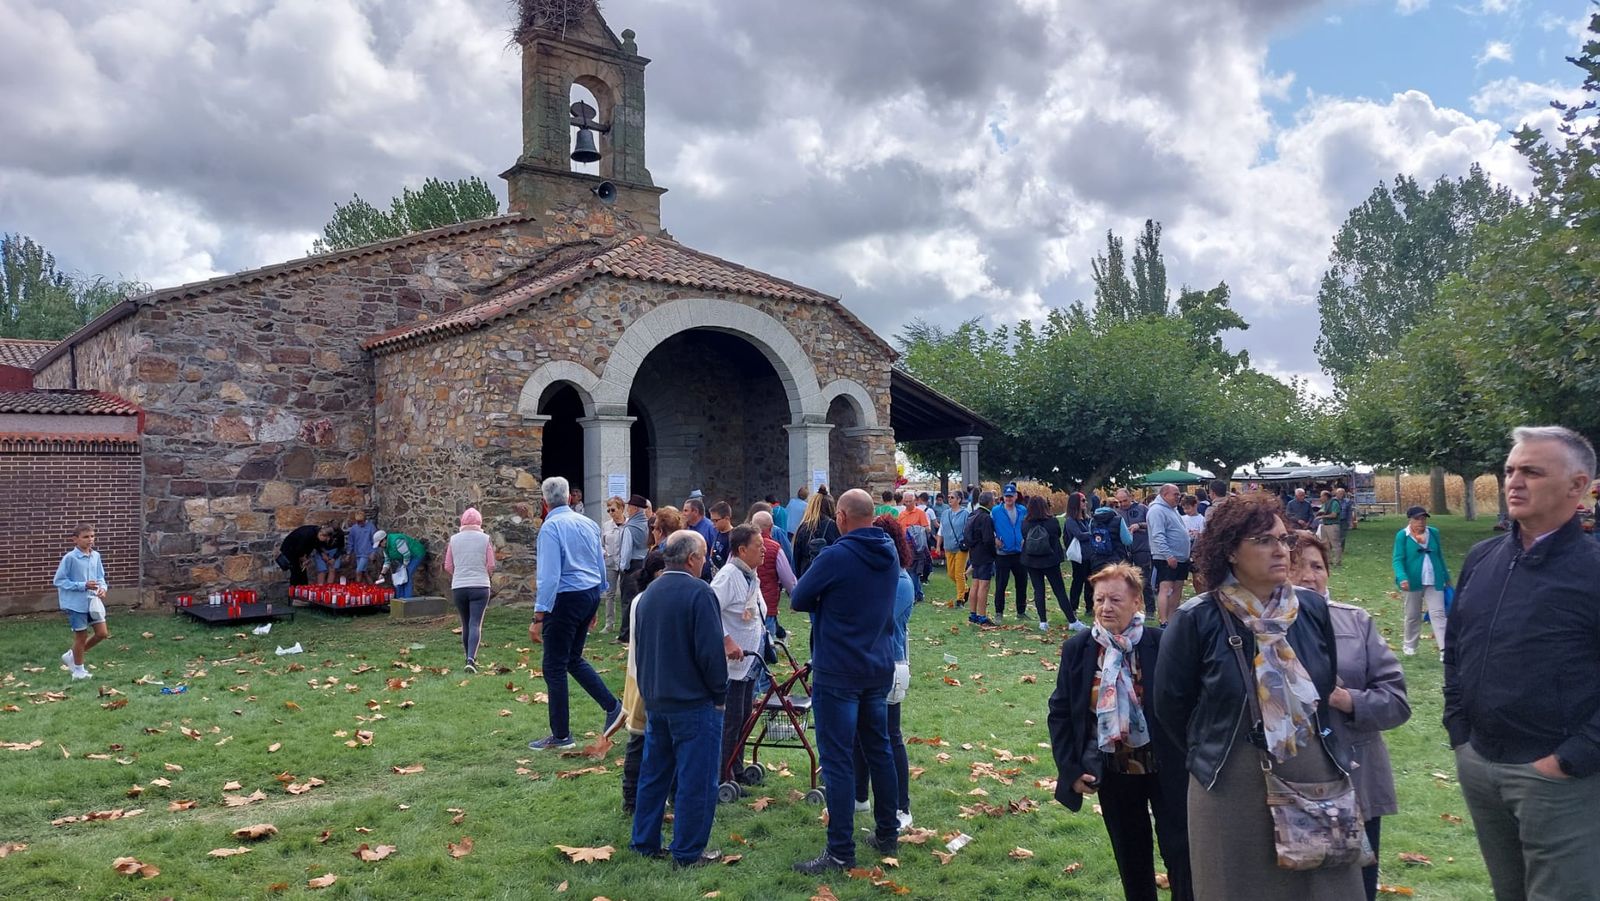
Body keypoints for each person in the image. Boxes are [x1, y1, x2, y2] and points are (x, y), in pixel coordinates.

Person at [1152, 492, 1361, 898]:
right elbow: (1171, 708)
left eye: (1284, 539)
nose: (1281, 550)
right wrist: (1222, 749)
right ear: (1231, 551)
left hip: (1313, 773)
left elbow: (1323, 680)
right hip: (1232, 783)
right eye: (1265, 541)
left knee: (1324, 888)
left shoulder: (1313, 611)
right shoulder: (1197, 619)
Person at [1445, 426, 1600, 901]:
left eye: (1531, 472)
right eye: (1511, 470)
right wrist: (1459, 732)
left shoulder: (1592, 569)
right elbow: (1456, 648)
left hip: (1561, 778)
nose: (1514, 482)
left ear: (1578, 487)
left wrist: (1573, 757)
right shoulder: (1483, 557)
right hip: (1481, 762)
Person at [1049, 563, 1193, 901]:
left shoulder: (1164, 643)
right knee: (1132, 863)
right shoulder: (1079, 649)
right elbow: (1060, 713)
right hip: (1114, 772)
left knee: (1183, 856)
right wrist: (1070, 770)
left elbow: (1190, 706)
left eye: (1115, 599)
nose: (1105, 608)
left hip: (1169, 769)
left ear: (1137, 602)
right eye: (1099, 600)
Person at [1292, 529, 1410, 901]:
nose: (1309, 575)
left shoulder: (1355, 622)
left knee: (1356, 890)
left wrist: (1346, 700)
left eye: (1317, 566)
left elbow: (1396, 702)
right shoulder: (1260, 628)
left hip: (1354, 781)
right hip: (1289, 785)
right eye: (1297, 566)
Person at [790, 488, 902, 874]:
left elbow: (799, 597)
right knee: (879, 749)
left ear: (840, 517)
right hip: (877, 663)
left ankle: (840, 852)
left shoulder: (836, 556)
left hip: (838, 669)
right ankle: (888, 831)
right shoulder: (889, 552)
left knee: (837, 760)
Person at [630, 530, 731, 868]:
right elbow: (710, 653)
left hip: (658, 698)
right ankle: (687, 852)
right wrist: (719, 694)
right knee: (696, 779)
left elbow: (640, 650)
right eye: (703, 557)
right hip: (693, 701)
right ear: (692, 559)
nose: (705, 563)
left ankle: (644, 841)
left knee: (654, 775)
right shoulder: (699, 593)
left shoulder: (648, 593)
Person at [527, 476, 624, 752]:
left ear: (545, 500)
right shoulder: (588, 524)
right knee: (572, 659)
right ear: (570, 497)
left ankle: (561, 735)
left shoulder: (551, 527)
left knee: (554, 666)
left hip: (566, 597)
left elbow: (548, 576)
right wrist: (598, 598)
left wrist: (539, 616)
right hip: (588, 593)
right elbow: (599, 562)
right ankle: (612, 707)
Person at [853, 515, 916, 830]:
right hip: (868, 662)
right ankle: (859, 796)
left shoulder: (901, 581)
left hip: (891, 664)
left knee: (890, 736)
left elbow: (873, 618)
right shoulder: (882, 576)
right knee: (860, 734)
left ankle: (902, 809)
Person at [711, 524, 765, 788]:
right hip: (732, 662)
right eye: (759, 545)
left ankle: (737, 767)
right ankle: (723, 774)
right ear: (742, 550)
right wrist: (726, 640)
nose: (764, 549)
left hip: (750, 660)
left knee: (745, 716)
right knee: (731, 720)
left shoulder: (750, 575)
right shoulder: (728, 576)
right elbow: (709, 610)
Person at [1391, 506, 1451, 660]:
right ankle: (1410, 646)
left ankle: (1445, 650)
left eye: (1423, 519)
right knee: (1412, 615)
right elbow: (1397, 559)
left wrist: (1445, 576)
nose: (1421, 522)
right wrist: (1402, 577)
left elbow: (1440, 556)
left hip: (1433, 579)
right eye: (1417, 519)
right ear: (1410, 520)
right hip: (1412, 581)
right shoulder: (1402, 536)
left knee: (1438, 614)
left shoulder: (1434, 533)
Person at [54, 523, 109, 680]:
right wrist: (82, 585)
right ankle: (78, 671)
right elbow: (59, 580)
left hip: (93, 603)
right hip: (75, 604)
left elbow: (100, 577)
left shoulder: (96, 556)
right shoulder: (70, 558)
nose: (90, 540)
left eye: (92, 536)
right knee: (81, 636)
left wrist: (103, 588)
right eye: (86, 537)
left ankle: (72, 655)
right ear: (75, 539)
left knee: (102, 633)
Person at [444, 507, 495, 673]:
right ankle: (471, 659)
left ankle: (468, 657)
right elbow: (491, 565)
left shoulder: (454, 540)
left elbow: (448, 566)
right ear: (480, 522)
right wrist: (485, 575)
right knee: (475, 623)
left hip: (459, 586)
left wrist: (459, 574)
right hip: (480, 585)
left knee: (465, 623)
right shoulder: (485, 539)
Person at [1020, 495, 1077, 631]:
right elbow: (1057, 535)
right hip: (1050, 560)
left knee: (1038, 590)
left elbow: (1023, 536)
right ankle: (1072, 620)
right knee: (1059, 590)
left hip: (1031, 560)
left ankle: (1043, 621)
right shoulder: (1052, 522)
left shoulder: (1025, 523)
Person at [1146, 484, 1192, 624]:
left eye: (1179, 494)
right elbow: (1158, 535)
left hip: (1181, 557)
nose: (1178, 497)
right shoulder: (1157, 510)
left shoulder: (1173, 510)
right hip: (1167, 557)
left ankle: (1172, 621)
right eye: (1175, 494)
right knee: (1166, 588)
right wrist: (1168, 555)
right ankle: (1164, 621)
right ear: (1165, 494)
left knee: (1177, 588)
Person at [750, 511, 797, 637]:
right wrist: (796, 596)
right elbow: (788, 579)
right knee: (768, 645)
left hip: (745, 606)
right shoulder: (774, 548)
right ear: (771, 528)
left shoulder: (740, 546)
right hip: (768, 603)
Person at [615, 494, 650, 645]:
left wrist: (622, 567)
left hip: (632, 565)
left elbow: (626, 550)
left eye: (629, 507)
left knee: (628, 601)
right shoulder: (648, 524)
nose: (627, 510)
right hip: (645, 563)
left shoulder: (630, 527)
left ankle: (625, 635)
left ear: (635, 508)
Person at [1116, 488, 1156, 615]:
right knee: (1125, 581)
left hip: (1141, 548)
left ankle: (1150, 610)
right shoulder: (1117, 512)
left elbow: (1153, 523)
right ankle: (1128, 608)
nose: (1123, 504)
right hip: (1125, 550)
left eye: (1125, 500)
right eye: (1120, 501)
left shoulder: (1142, 508)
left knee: (1144, 580)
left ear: (1131, 497)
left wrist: (1139, 525)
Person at [991, 484, 1026, 620]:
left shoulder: (1022, 510)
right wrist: (994, 539)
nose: (1009, 499)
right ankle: (999, 612)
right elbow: (989, 528)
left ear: (1016, 497)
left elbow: (1027, 526)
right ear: (1003, 497)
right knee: (1001, 584)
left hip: (1019, 552)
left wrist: (1025, 538)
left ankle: (1021, 611)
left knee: (1022, 583)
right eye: (1006, 496)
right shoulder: (996, 511)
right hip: (1003, 553)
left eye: (1011, 496)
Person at [964, 490, 998, 626]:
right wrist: (994, 552)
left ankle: (973, 614)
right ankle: (982, 616)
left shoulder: (973, 515)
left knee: (975, 584)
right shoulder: (986, 518)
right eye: (994, 500)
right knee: (984, 585)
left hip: (974, 552)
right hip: (984, 554)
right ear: (990, 503)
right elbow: (988, 539)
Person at [793, 491, 841, 578]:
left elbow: (796, 559)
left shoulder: (803, 528)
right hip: (829, 577)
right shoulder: (835, 527)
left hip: (807, 577)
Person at [1063, 492, 1095, 619]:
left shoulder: (1087, 519)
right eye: (1082, 501)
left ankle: (1089, 607)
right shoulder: (1070, 521)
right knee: (1078, 582)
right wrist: (1093, 533)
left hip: (1090, 555)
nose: (1085, 503)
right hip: (1079, 556)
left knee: (1090, 582)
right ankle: (1073, 608)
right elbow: (1079, 535)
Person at [897, 490, 932, 603]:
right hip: (905, 547)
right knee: (909, 571)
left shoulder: (920, 513)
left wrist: (915, 530)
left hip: (916, 548)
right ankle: (918, 593)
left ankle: (915, 594)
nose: (908, 504)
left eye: (910, 501)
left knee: (914, 572)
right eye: (906, 502)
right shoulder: (901, 515)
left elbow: (927, 529)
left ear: (915, 501)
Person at [599, 497, 627, 633]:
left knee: (626, 593)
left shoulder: (628, 525)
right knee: (610, 593)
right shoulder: (606, 525)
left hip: (625, 562)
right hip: (610, 561)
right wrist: (605, 553)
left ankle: (625, 623)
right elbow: (601, 544)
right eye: (609, 510)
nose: (611, 513)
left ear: (621, 509)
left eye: (613, 510)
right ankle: (609, 623)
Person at [939, 492, 971, 606]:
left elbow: (969, 529)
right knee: (951, 574)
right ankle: (966, 589)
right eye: (949, 497)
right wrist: (938, 545)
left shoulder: (966, 513)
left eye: (952, 497)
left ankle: (960, 599)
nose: (950, 499)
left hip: (961, 548)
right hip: (948, 547)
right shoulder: (945, 514)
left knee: (959, 573)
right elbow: (941, 530)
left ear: (959, 499)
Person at [372, 528, 424, 599]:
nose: (379, 546)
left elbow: (406, 554)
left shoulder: (397, 541)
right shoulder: (385, 549)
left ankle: (407, 600)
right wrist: (382, 574)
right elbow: (387, 561)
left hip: (416, 554)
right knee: (398, 576)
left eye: (379, 544)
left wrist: (404, 566)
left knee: (407, 574)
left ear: (384, 540)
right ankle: (399, 599)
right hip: (404, 558)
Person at [279, 524, 331, 589]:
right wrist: (304, 559)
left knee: (302, 572)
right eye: (325, 539)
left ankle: (303, 590)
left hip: (300, 551)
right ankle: (294, 593)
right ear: (321, 535)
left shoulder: (317, 532)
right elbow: (299, 549)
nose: (325, 541)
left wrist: (322, 553)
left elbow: (316, 543)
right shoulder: (307, 534)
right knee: (296, 572)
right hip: (291, 550)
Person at [683, 498, 719, 579]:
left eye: (686, 511)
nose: (683, 514)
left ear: (695, 512)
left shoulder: (710, 528)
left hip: (705, 577)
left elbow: (714, 552)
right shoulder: (687, 527)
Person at [345, 511, 376, 583]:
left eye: (361, 521)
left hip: (367, 553)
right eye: (357, 521)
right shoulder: (354, 528)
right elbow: (350, 542)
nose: (359, 523)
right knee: (364, 572)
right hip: (358, 553)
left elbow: (375, 541)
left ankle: (357, 588)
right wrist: (348, 553)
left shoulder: (371, 527)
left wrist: (373, 552)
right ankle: (372, 587)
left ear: (365, 520)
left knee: (358, 571)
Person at [1316, 489, 1344, 566]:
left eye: (1321, 496)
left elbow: (1334, 515)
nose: (1320, 498)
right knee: (1325, 544)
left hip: (1332, 525)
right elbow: (1322, 510)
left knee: (1335, 544)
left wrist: (1322, 516)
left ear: (1325, 496)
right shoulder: (1325, 504)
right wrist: (1319, 513)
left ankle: (1338, 561)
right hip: (1325, 525)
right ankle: (1328, 561)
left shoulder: (1334, 502)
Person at [707, 501, 735, 571]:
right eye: (712, 521)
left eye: (716, 520)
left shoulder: (734, 537)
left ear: (727, 519)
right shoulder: (718, 532)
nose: (713, 524)